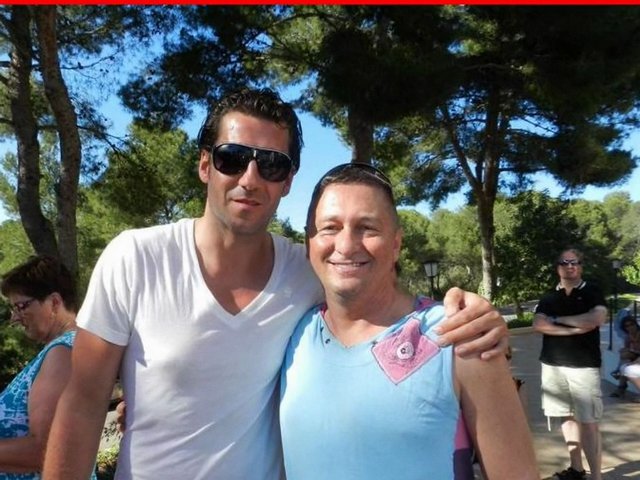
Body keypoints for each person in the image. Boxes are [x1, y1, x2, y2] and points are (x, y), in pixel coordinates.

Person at [43, 88, 509, 480]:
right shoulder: (135, 258)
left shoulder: (308, 271)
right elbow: (83, 403)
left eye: (271, 165)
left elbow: (379, 298)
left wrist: (471, 316)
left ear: (287, 181)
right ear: (205, 165)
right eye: (232, 158)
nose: (250, 178)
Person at [279, 163, 538, 479]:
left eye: (367, 228)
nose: (346, 246)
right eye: (330, 228)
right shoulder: (292, 334)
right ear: (309, 243)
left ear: (396, 244)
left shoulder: (460, 335)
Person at [0, 256, 95, 480]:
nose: (14, 318)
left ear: (54, 302)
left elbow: (48, 449)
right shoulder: (64, 349)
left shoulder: (63, 353)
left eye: (20, 306)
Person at [533, 249, 607, 480]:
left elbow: (596, 318)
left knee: (589, 422)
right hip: (552, 365)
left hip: (584, 367)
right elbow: (538, 324)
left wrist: (557, 320)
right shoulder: (548, 298)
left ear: (581, 266)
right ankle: (576, 469)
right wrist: (574, 329)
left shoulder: (592, 291)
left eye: (574, 262)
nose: (570, 266)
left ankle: (596, 476)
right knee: (565, 416)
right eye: (564, 262)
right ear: (558, 267)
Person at [609, 312, 640, 398]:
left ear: (636, 324)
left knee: (626, 366)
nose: (630, 327)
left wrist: (635, 362)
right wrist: (624, 351)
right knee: (624, 355)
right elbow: (627, 348)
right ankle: (621, 385)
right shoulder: (628, 336)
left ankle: (621, 386)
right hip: (636, 356)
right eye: (627, 326)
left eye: (632, 324)